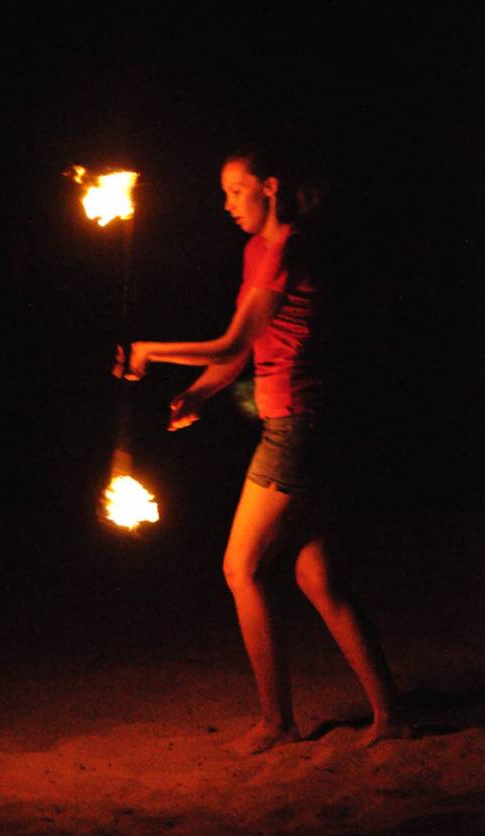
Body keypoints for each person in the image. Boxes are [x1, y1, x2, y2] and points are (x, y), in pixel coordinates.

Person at [119, 148, 412, 755]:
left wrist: (151, 348)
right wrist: (199, 393)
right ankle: (392, 716)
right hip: (302, 426)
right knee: (317, 575)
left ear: (270, 187)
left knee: (241, 566)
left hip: (298, 430)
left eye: (235, 190)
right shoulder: (257, 251)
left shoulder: (288, 252)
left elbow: (231, 337)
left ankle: (278, 722)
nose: (226, 204)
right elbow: (245, 351)